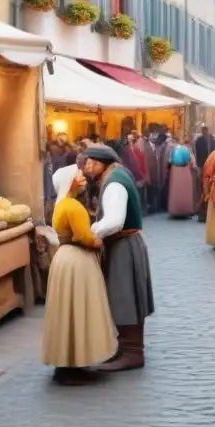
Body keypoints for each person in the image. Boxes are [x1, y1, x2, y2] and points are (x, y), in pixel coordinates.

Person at [41, 165, 117, 385]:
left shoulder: (60, 205)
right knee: (78, 311)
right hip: (76, 260)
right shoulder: (73, 206)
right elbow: (84, 236)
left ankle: (67, 362)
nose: (82, 180)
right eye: (78, 178)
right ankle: (72, 366)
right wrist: (99, 241)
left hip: (64, 259)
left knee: (66, 313)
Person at [82, 144, 154, 371]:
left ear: (99, 162)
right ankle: (125, 349)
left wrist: (89, 232)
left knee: (126, 296)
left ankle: (133, 353)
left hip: (124, 244)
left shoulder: (114, 183)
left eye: (89, 163)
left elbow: (115, 221)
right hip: (124, 243)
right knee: (124, 296)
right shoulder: (117, 174)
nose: (86, 168)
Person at [167, 137, 197, 218]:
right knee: (185, 190)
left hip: (175, 171)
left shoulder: (174, 149)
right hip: (185, 171)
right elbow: (192, 162)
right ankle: (186, 209)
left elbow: (170, 160)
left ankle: (174, 209)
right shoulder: (187, 150)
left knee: (175, 189)